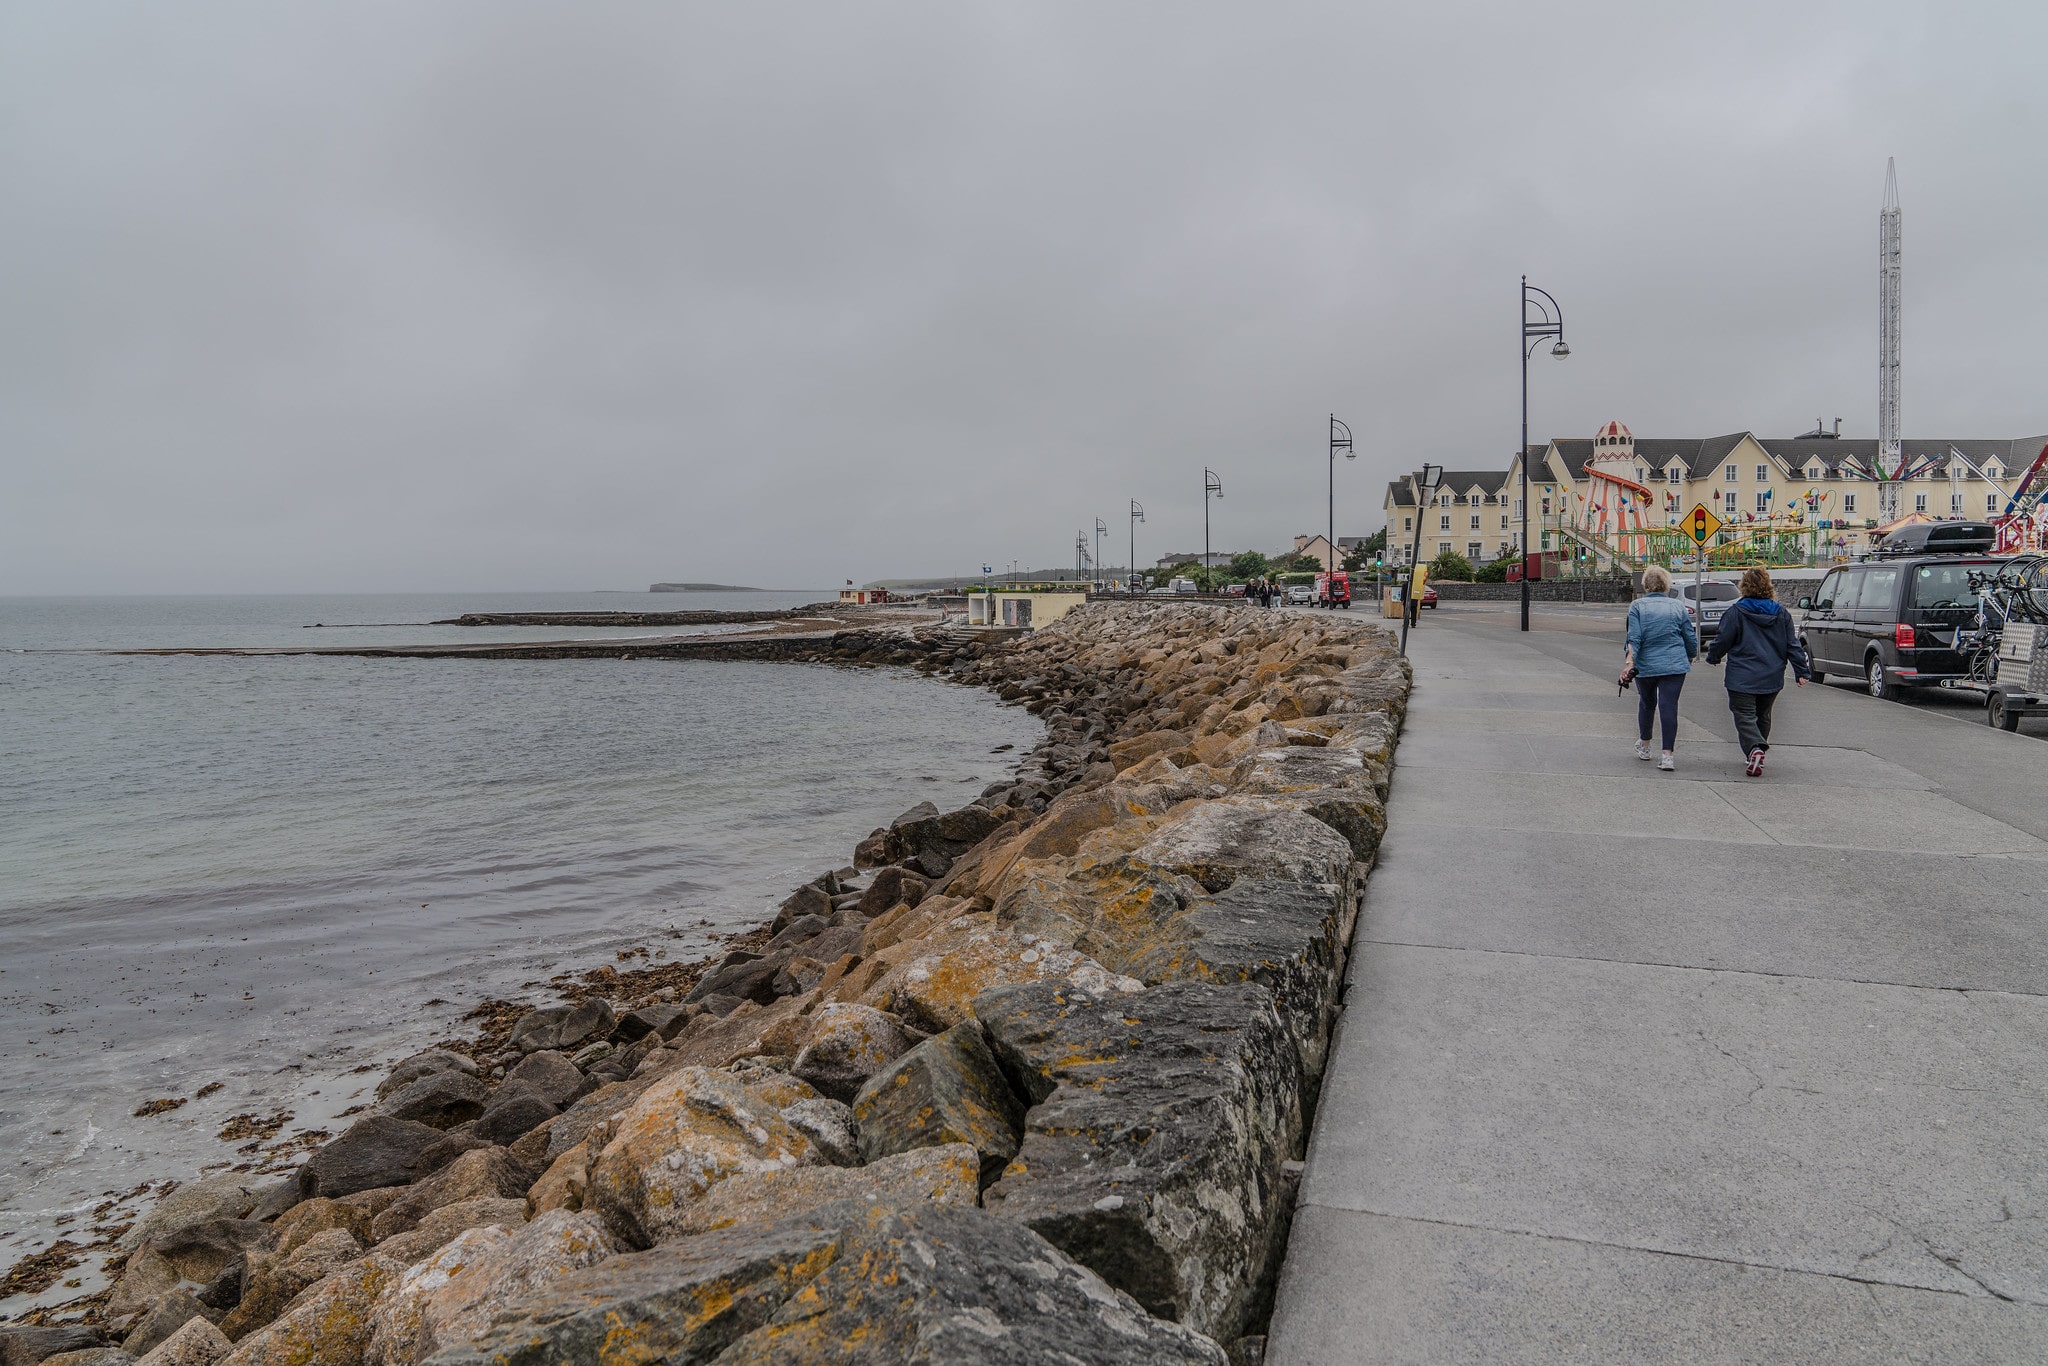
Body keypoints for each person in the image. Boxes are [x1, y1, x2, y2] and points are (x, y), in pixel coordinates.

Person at [1705, 566, 1810, 776]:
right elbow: (1792, 644)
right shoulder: (1781, 613)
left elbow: (1723, 639)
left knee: (1744, 714)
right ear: (1768, 586)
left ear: (1744, 586)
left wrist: (1713, 657)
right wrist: (1802, 671)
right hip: (1771, 675)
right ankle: (1756, 752)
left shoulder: (1736, 612)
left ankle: (1755, 749)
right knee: (1763, 715)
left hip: (1741, 675)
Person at [1624, 565, 1697, 771]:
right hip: (1674, 664)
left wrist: (1630, 661)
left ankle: (1645, 746)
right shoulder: (1677, 606)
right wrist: (1690, 654)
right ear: (1666, 585)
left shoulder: (1637, 606)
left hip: (1645, 664)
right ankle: (1667, 756)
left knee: (1647, 703)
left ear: (1646, 585)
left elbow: (1634, 637)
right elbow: (1689, 635)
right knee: (1669, 706)